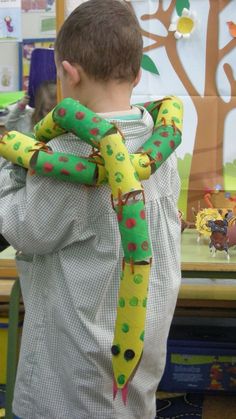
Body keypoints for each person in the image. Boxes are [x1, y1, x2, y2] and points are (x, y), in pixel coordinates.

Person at [0, 1, 181, 418]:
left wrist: (13, 167)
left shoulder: (65, 155)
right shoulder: (160, 147)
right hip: (136, 371)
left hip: (67, 384)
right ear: (137, 73)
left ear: (69, 72)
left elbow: (22, 228)